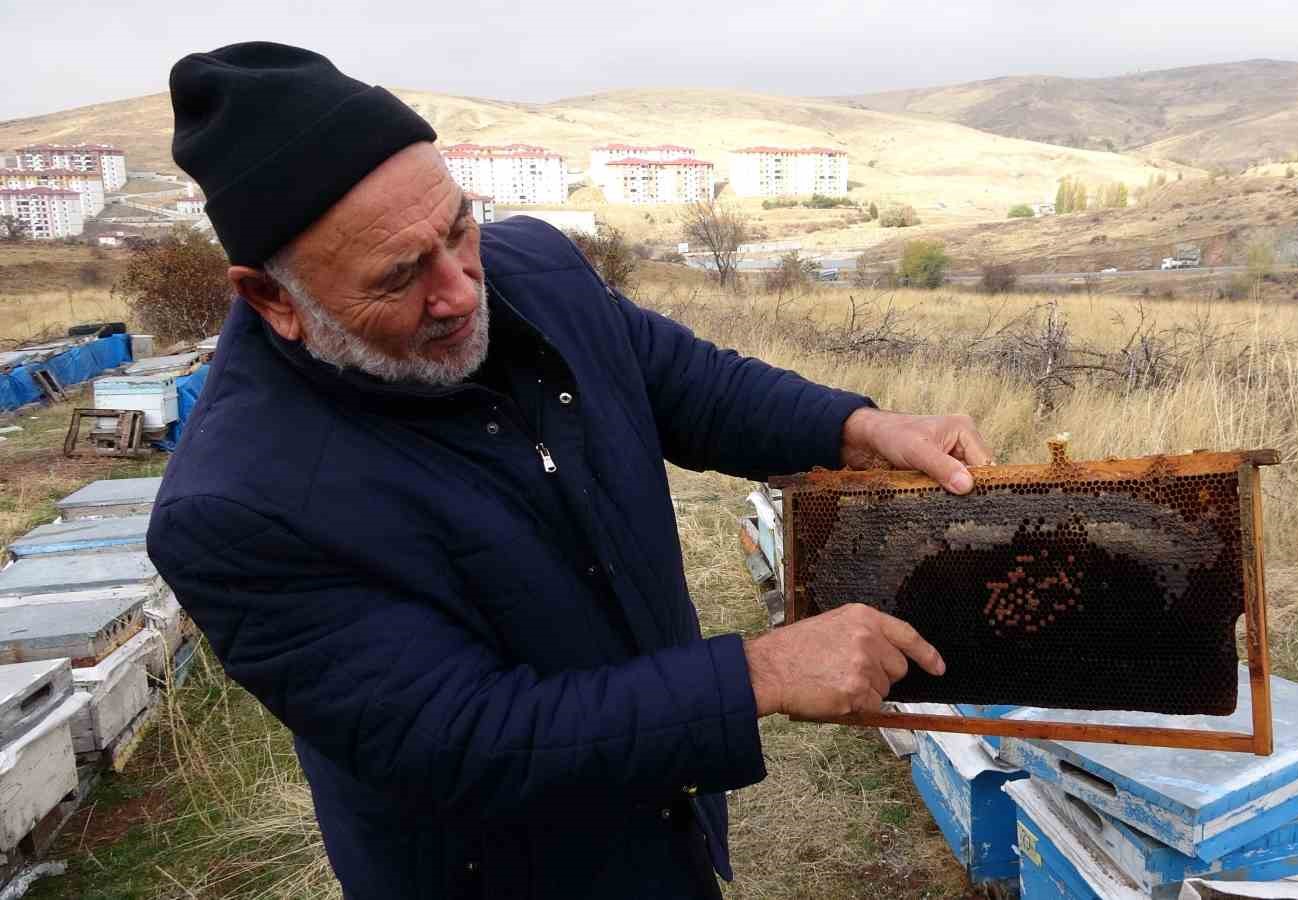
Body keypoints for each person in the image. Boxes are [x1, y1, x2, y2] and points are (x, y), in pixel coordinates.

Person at [149, 42, 993, 900]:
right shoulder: (234, 509)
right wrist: (760, 673)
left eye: (458, 228)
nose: (461, 289)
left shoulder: (538, 269)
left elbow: (680, 382)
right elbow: (466, 737)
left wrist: (854, 426)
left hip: (665, 816)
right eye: (401, 275)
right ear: (273, 299)